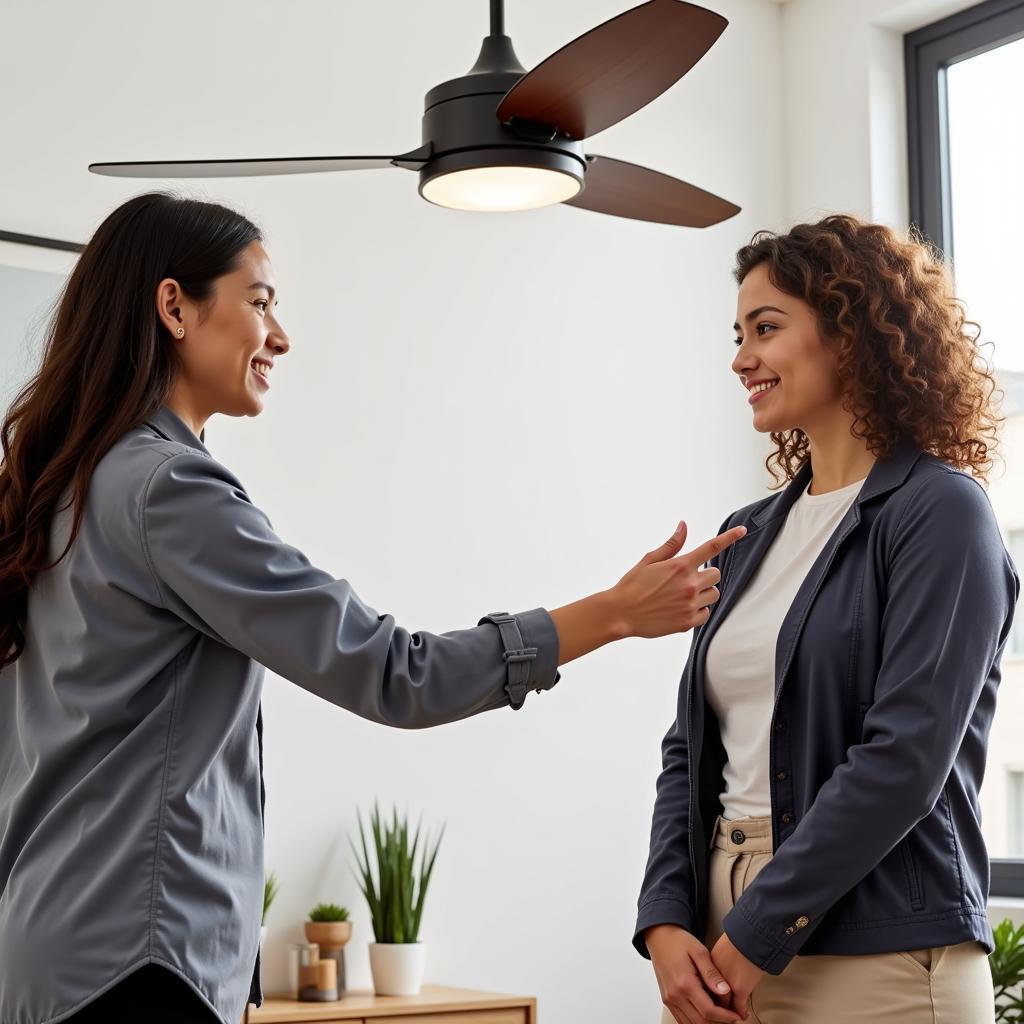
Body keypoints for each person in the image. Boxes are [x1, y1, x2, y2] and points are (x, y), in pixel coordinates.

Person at [0, 192, 746, 1024]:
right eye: (259, 301)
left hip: (46, 954)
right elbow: (395, 674)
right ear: (174, 305)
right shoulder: (168, 489)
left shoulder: (56, 491)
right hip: (136, 962)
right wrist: (610, 613)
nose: (279, 335)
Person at [636, 214, 1019, 1024]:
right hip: (717, 945)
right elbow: (690, 749)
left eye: (765, 329)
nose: (741, 359)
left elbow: (905, 757)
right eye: (738, 334)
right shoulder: (747, 535)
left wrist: (754, 931)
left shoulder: (941, 514)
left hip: (878, 954)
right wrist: (667, 921)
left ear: (850, 334)